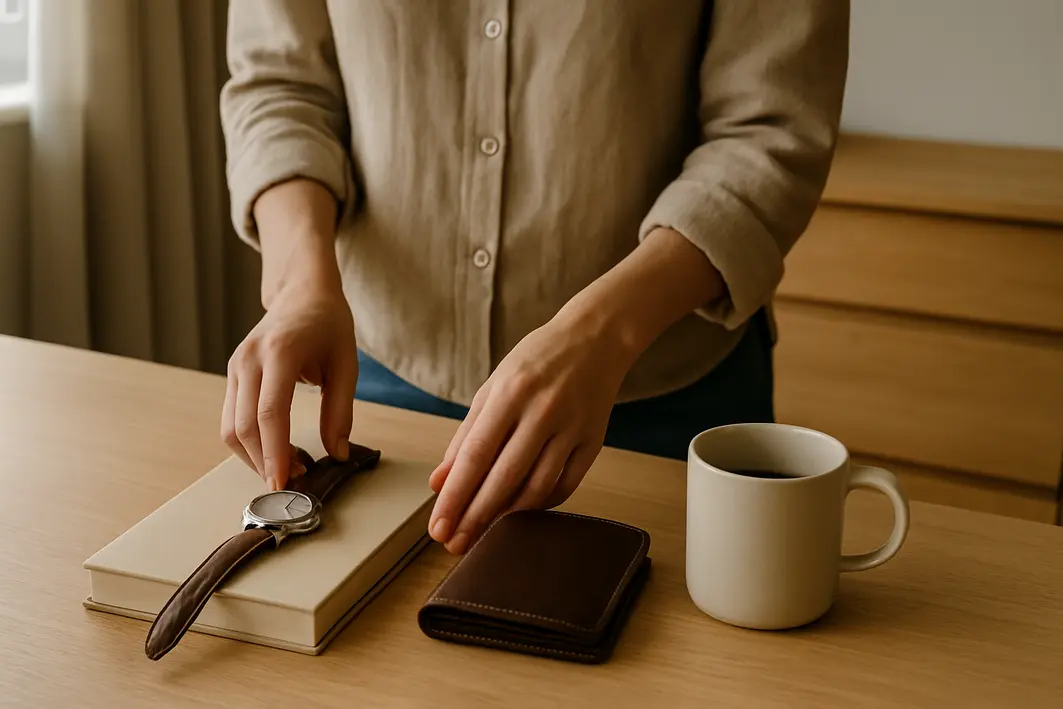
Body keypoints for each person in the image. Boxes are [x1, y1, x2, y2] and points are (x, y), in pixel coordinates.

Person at [218, 1, 849, 555]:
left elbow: (770, 130)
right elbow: (281, 87)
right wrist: (300, 286)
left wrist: (603, 334)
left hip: (665, 399)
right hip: (374, 383)